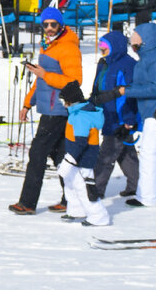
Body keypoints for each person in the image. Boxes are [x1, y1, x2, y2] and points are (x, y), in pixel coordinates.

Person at [10, 8, 81, 215]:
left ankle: (28, 202)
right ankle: (72, 198)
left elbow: (75, 82)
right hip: (48, 107)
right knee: (60, 156)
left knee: (38, 152)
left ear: (61, 25)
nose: (49, 29)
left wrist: (45, 74)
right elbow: (41, 79)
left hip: (58, 108)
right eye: (46, 25)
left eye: (53, 24)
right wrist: (27, 104)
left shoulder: (68, 47)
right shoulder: (49, 46)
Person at [111, 22, 156, 208]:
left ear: (145, 38)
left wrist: (126, 91)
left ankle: (148, 197)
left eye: (135, 37)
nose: (132, 40)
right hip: (150, 111)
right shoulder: (145, 57)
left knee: (149, 152)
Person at [89, 31, 139, 199]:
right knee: (125, 151)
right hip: (106, 114)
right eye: (100, 45)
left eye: (105, 46)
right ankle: (134, 185)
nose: (101, 49)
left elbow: (130, 94)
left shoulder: (128, 64)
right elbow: (96, 87)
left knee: (107, 153)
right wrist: (92, 102)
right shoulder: (103, 64)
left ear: (115, 47)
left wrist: (128, 120)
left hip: (119, 117)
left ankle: (96, 189)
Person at [57, 81, 110, 227]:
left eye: (63, 101)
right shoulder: (77, 111)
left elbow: (80, 143)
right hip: (76, 157)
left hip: (83, 159)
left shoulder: (81, 116)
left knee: (84, 187)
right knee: (70, 182)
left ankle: (99, 216)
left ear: (71, 100)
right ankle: (76, 210)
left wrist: (69, 160)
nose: (62, 104)